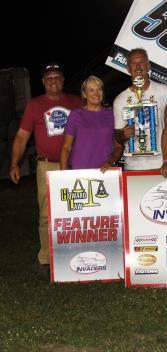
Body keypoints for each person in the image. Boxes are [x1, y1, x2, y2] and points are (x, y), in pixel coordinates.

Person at [9, 62, 81, 268]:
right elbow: (22, 136)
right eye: (49, 78)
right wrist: (15, 163)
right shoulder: (35, 105)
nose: (54, 82)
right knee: (46, 213)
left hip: (74, 165)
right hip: (47, 166)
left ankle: (75, 250)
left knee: (76, 210)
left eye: (58, 77)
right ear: (43, 82)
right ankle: (47, 258)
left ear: (63, 80)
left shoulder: (76, 102)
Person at [113, 48, 167, 171]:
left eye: (142, 62)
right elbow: (117, 136)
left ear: (148, 66)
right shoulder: (120, 99)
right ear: (128, 68)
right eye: (134, 63)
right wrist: (123, 134)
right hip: (133, 166)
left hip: (161, 165)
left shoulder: (165, 91)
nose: (138, 66)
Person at [60, 76, 123, 172]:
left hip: (106, 172)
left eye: (99, 89)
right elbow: (66, 147)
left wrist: (110, 162)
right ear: (85, 94)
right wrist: (62, 174)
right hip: (80, 172)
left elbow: (119, 146)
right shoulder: (76, 115)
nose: (96, 94)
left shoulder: (112, 114)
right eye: (91, 90)